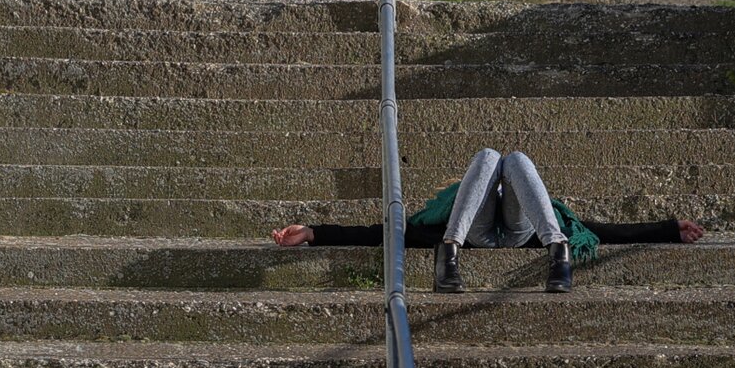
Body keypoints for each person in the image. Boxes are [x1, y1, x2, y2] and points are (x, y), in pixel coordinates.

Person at [272, 148, 705, 293]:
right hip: (469, 234)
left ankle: (558, 249)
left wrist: (668, 228)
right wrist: (315, 232)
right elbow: (389, 232)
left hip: (522, 234)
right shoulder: (454, 209)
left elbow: (601, 229)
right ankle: (450, 250)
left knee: (514, 158)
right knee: (489, 156)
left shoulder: (531, 209)